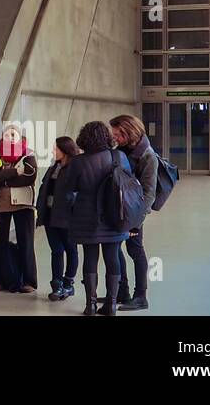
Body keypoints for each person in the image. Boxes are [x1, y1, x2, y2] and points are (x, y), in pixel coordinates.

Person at [53, 120, 132, 315]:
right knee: (113, 258)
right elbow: (129, 185)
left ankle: (91, 305)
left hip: (86, 218)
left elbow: (68, 192)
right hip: (115, 217)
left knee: (90, 258)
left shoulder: (78, 162)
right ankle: (112, 304)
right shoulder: (119, 156)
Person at [110, 113, 158, 311]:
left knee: (135, 251)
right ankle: (122, 291)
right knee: (114, 248)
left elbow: (149, 194)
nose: (114, 138)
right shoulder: (121, 149)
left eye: (117, 134)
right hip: (118, 209)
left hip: (134, 213)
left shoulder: (148, 156)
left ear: (129, 133)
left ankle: (141, 296)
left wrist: (135, 221)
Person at [0, 123, 38, 294]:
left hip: (24, 204)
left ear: (20, 138)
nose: (10, 138)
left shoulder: (28, 154)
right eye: (7, 135)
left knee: (26, 241)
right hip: (1, 204)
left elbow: (30, 177)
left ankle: (28, 281)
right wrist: (15, 172)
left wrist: (5, 179)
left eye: (13, 135)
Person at [37, 135, 81, 301]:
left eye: (56, 148)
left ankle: (68, 283)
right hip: (50, 215)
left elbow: (79, 191)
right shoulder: (54, 166)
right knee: (56, 250)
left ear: (65, 150)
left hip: (67, 216)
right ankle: (57, 284)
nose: (53, 151)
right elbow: (45, 188)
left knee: (70, 249)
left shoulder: (75, 167)